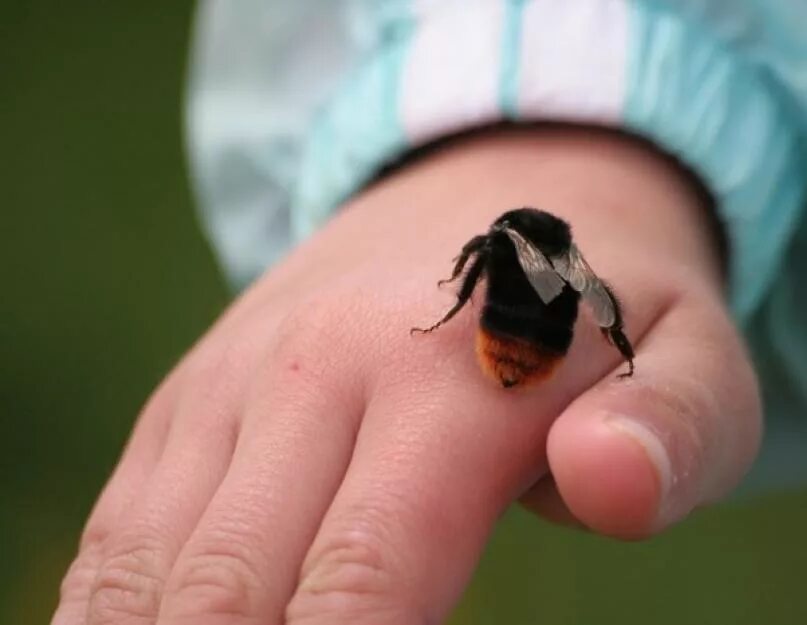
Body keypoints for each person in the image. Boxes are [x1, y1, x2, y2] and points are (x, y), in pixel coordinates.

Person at [53, 1, 807, 624]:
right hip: (531, 352)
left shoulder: (501, 242)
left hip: (514, 342)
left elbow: (483, 261)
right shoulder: (569, 261)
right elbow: (584, 291)